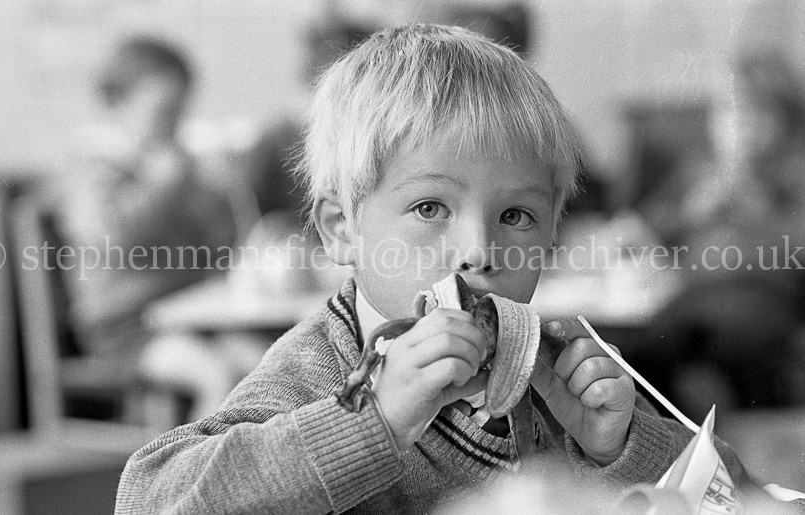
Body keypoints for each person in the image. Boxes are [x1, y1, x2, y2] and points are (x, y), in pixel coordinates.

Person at [115, 25, 754, 514]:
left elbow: (743, 493)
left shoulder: (557, 380)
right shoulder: (326, 372)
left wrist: (621, 448)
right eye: (429, 208)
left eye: (516, 216)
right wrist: (376, 423)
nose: (477, 250)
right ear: (342, 229)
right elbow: (147, 498)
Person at [56, 36, 239, 420]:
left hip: (188, 317)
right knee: (217, 374)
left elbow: (220, 246)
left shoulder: (177, 172)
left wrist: (214, 196)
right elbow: (116, 237)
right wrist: (164, 185)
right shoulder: (95, 169)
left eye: (181, 113)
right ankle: (180, 477)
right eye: (163, 112)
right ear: (118, 106)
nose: (174, 127)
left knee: (261, 362)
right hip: (124, 331)